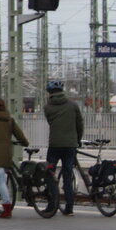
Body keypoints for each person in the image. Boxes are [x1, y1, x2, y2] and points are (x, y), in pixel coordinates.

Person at [43, 80, 84, 215]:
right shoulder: (73, 105)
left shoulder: (47, 107)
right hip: (70, 146)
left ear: (50, 93)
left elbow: (50, 122)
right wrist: (77, 140)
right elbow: (79, 124)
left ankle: (51, 206)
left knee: (50, 173)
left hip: (54, 145)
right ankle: (69, 208)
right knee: (67, 175)